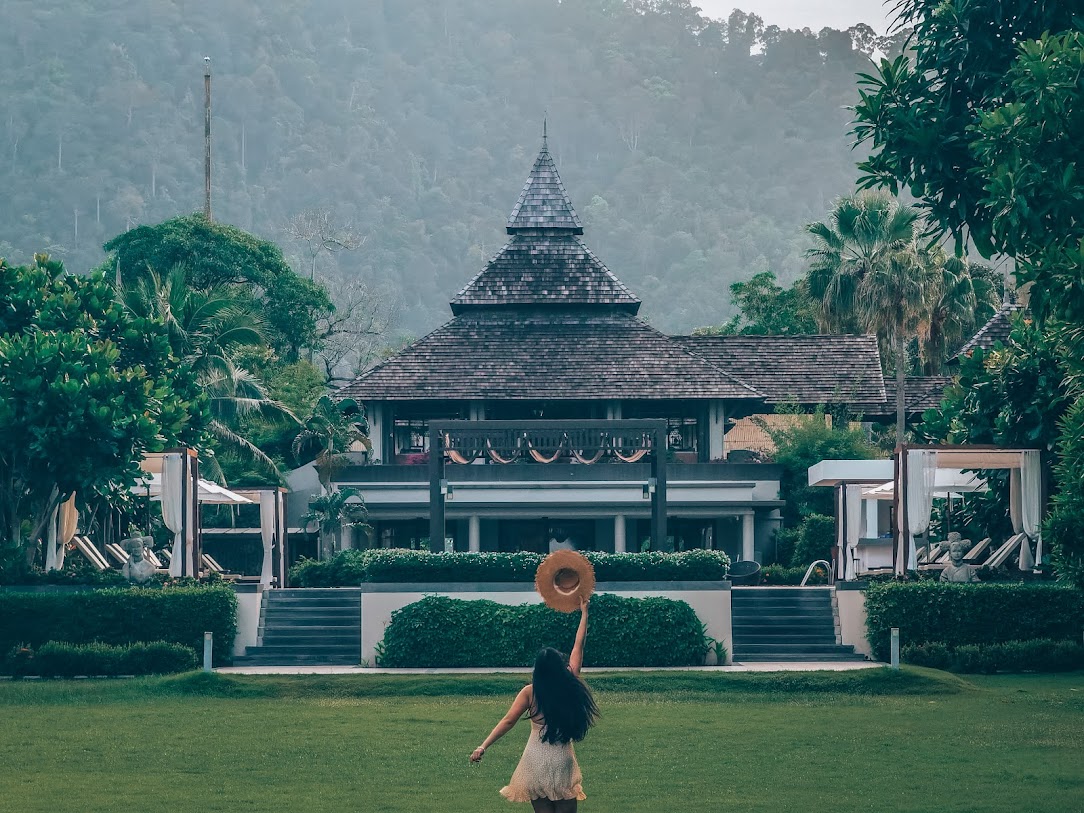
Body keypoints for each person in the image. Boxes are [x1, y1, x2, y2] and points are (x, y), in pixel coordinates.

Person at [470, 597, 597, 812]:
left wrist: (483, 746)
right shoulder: (569, 683)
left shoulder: (530, 692)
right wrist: (584, 613)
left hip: (534, 760)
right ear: (560, 666)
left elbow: (508, 721)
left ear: (538, 670)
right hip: (562, 760)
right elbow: (579, 645)